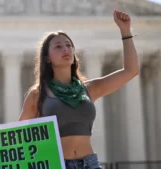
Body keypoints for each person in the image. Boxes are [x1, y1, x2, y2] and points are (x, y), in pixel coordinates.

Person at [19, 10, 139, 169]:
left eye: (69, 45)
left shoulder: (89, 89)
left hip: (90, 164)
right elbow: (16, 136)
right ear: (47, 58)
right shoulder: (38, 94)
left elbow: (131, 71)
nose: (66, 50)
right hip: (56, 164)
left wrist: (125, 31)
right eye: (58, 46)